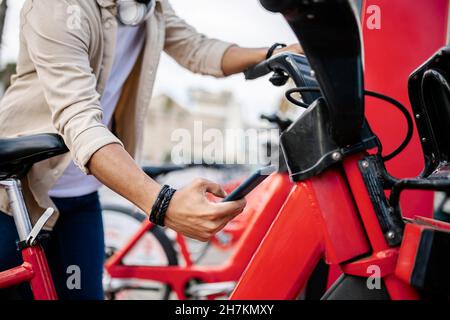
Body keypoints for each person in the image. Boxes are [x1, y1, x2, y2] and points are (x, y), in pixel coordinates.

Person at [0, 0, 302, 299]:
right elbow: (78, 118)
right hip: (18, 193)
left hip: (81, 196)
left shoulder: (151, 6)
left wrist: (275, 52)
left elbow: (197, 49)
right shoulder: (58, 6)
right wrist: (163, 204)